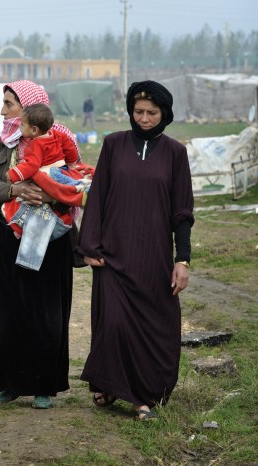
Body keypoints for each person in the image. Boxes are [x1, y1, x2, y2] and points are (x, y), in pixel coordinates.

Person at [77, 81, 194, 421]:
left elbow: (182, 212)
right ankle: (118, 388)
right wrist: (89, 246)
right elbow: (97, 197)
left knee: (155, 327)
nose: (143, 118)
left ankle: (144, 394)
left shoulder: (175, 153)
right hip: (113, 256)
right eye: (138, 111)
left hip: (154, 260)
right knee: (112, 324)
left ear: (165, 114)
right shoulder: (114, 144)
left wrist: (182, 260)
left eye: (151, 113)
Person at [0, 80, 83, 409]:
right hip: (11, 238)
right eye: (4, 102)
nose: (3, 110)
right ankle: (10, 382)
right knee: (9, 313)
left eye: (9, 104)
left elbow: (76, 177)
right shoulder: (4, 146)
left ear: (31, 110)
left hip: (51, 240)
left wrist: (54, 193)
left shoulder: (61, 140)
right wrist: (15, 191)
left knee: (47, 313)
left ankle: (44, 385)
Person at [0, 103, 88, 270]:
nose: (19, 125)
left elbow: (31, 166)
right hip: (61, 171)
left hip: (47, 176)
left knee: (32, 203)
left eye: (22, 124)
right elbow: (70, 150)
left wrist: (13, 175)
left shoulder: (34, 144)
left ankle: (26, 250)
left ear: (34, 130)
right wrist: (70, 163)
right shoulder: (57, 134)